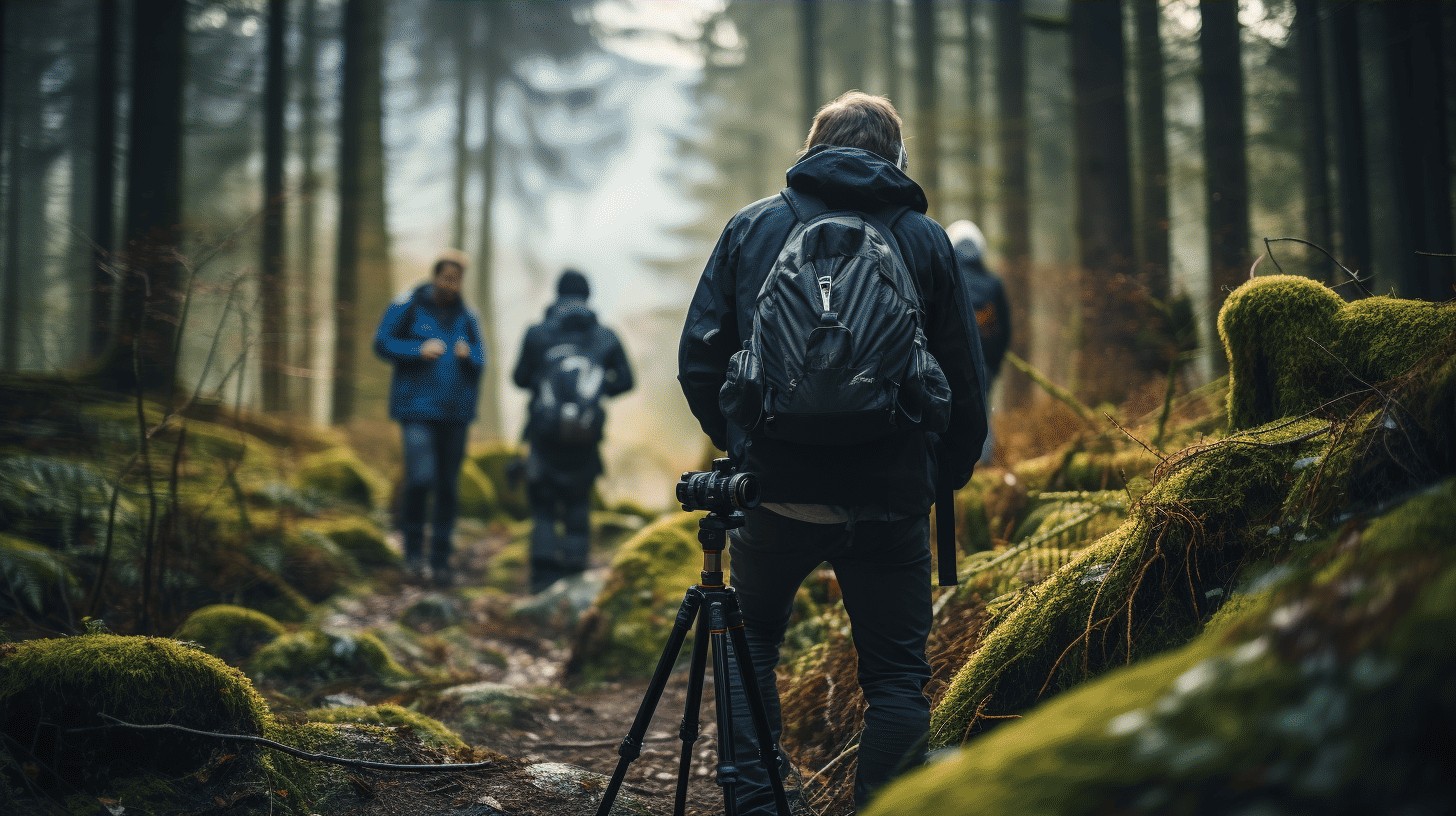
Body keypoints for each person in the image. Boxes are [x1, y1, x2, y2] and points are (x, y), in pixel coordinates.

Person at [678, 91, 988, 813]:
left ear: (812, 147)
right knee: (895, 684)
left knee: (749, 653)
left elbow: (700, 360)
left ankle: (756, 805)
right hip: (890, 497)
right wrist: (940, 474)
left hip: (772, 492)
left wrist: (745, 440)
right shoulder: (924, 238)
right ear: (895, 156)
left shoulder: (752, 228)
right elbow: (965, 382)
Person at [513, 269, 634, 594]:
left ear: (557, 294)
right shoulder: (605, 336)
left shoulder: (537, 334)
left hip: (544, 435)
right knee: (578, 502)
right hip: (586, 437)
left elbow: (520, 378)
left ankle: (542, 582)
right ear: (587, 295)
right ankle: (574, 577)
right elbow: (626, 381)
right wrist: (597, 392)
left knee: (544, 508)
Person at [373, 250, 486, 588]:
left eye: (457, 279)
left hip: (456, 414)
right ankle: (412, 554)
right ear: (435, 276)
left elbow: (482, 359)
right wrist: (415, 349)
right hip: (416, 410)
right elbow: (381, 343)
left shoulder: (468, 316)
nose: (451, 284)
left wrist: (470, 355)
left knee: (448, 487)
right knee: (421, 478)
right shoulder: (407, 305)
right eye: (447, 277)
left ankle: (440, 559)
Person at [946, 219, 1011, 464]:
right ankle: (982, 469)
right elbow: (1004, 331)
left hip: (950, 364)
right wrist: (992, 365)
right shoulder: (994, 284)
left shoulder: (948, 279)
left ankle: (954, 468)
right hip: (984, 366)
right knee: (981, 415)